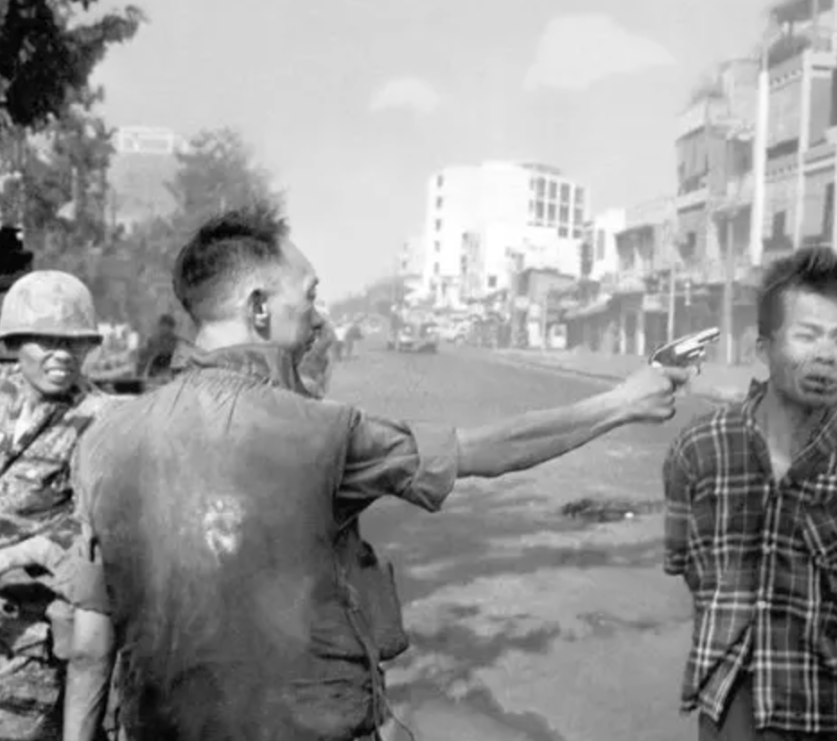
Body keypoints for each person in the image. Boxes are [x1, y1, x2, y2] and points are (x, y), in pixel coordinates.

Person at [65, 203, 691, 741]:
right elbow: (486, 450)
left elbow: (93, 642)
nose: (317, 317)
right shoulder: (322, 433)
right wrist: (620, 404)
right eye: (307, 296)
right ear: (259, 308)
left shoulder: (103, 441)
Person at [663, 247, 837, 741]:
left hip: (832, 705)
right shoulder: (699, 447)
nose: (826, 355)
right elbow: (686, 561)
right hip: (730, 701)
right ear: (763, 348)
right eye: (807, 335)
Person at [0, 271, 115, 740]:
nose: (62, 355)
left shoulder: (102, 418)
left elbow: (93, 522)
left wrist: (17, 555)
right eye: (46, 341)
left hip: (31, 627)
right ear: (17, 341)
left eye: (74, 344)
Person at [134, 314, 180, 380]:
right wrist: (138, 375)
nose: (164, 328)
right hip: (156, 373)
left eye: (167, 326)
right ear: (159, 326)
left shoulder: (176, 342)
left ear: (172, 328)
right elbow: (143, 359)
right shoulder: (153, 340)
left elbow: (182, 360)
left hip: (172, 373)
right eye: (162, 325)